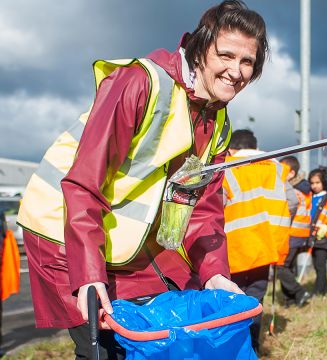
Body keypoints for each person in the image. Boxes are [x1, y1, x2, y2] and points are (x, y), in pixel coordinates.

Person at [16, 1, 268, 358]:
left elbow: (203, 210)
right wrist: (88, 273)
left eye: (248, 62)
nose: (236, 71)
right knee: (102, 346)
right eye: (225, 55)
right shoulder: (139, 83)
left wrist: (215, 274)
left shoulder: (218, 122)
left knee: (159, 338)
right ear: (199, 48)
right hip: (64, 230)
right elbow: (84, 183)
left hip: (131, 244)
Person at [223, 129, 293, 353]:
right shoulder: (276, 168)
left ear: (233, 148)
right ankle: (252, 347)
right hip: (266, 246)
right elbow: (291, 200)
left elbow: (217, 203)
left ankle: (232, 348)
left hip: (234, 246)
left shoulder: (228, 166)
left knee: (230, 297)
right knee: (255, 297)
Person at [277, 156, 312, 307]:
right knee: (288, 266)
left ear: (291, 173)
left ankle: (299, 292)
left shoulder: (293, 189)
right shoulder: (303, 187)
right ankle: (290, 299)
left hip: (292, 232)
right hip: (300, 233)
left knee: (281, 267)